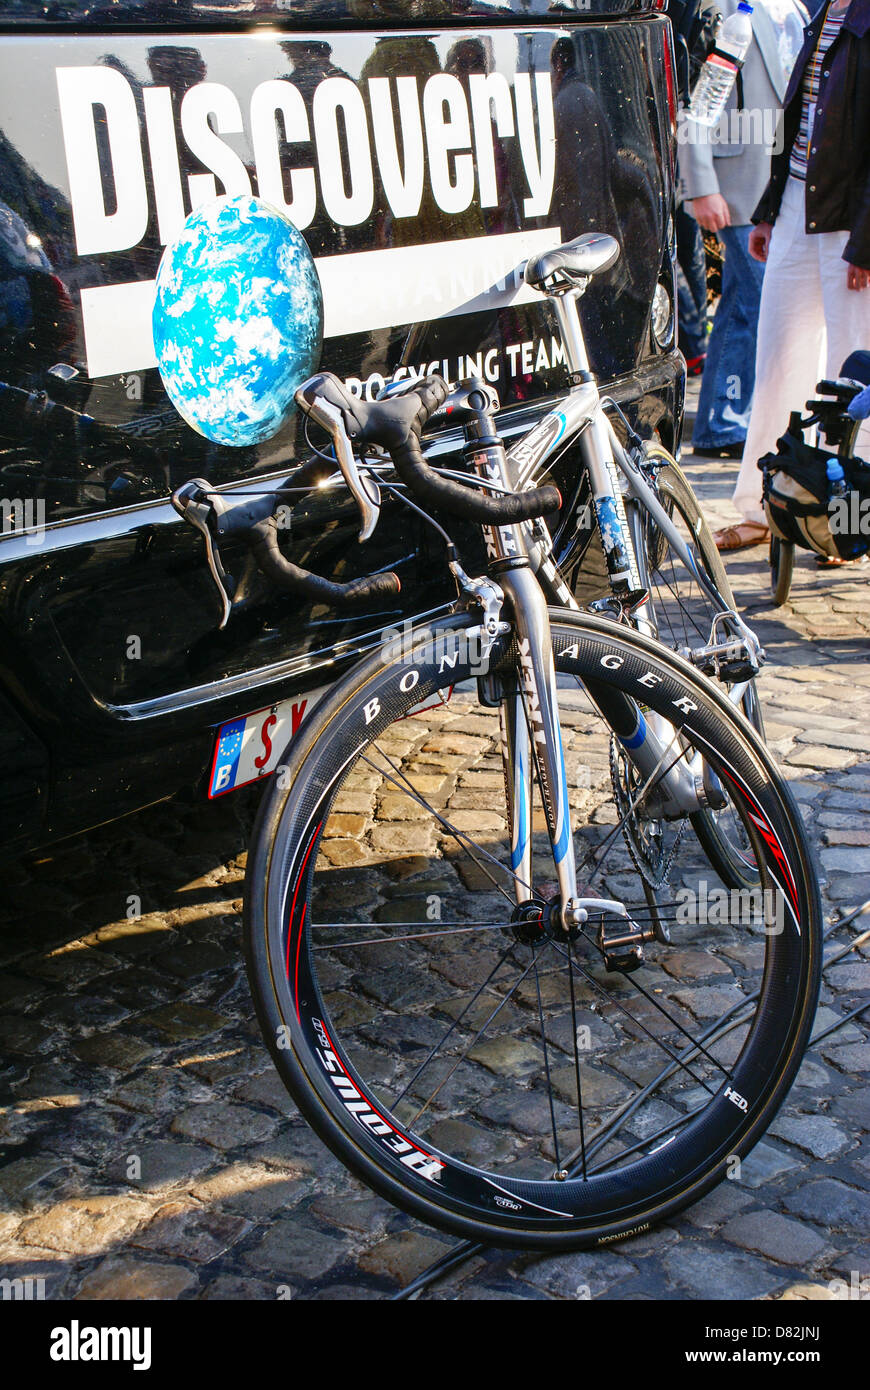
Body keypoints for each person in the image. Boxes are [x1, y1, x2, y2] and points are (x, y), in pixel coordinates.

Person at [713, 0, 870, 551]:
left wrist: (866, 241)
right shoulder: (825, 10)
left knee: (851, 374)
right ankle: (765, 506)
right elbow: (795, 119)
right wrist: (770, 209)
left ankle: (846, 524)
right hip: (798, 207)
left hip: (851, 221)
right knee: (777, 359)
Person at [682, 0, 807, 458]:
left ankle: (728, 420)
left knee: (746, 306)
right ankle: (726, 421)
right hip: (737, 187)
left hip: (783, 189)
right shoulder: (728, 11)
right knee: (753, 307)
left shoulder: (799, 9)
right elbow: (699, 104)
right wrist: (701, 184)